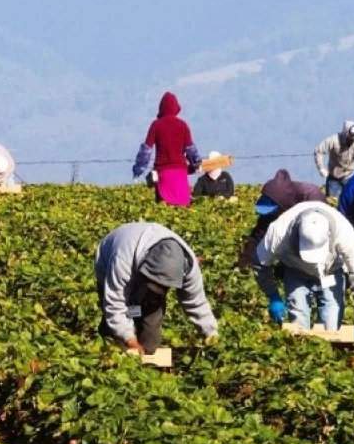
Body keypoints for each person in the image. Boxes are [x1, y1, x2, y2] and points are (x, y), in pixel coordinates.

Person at [252, 203, 354, 342]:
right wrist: (273, 296)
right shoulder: (279, 231)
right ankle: (300, 351)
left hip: (331, 272)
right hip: (295, 270)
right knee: (298, 326)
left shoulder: (344, 232)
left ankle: (326, 351)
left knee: (331, 327)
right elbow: (259, 263)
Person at [95, 223, 218, 354]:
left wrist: (212, 336)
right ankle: (108, 338)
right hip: (109, 260)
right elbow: (116, 304)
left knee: (150, 332)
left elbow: (196, 303)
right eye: (154, 284)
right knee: (121, 321)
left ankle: (140, 337)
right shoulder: (123, 259)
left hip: (137, 257)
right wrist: (131, 341)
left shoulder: (189, 267)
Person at [239, 169, 328, 268]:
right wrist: (245, 259)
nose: (270, 214)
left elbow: (318, 234)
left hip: (311, 241)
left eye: (273, 211)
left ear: (282, 206)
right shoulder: (272, 200)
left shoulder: (312, 197)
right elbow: (259, 233)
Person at [132, 92, 202, 207]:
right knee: (182, 207)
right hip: (180, 173)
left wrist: (138, 169)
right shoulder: (183, 125)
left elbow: (146, 150)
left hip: (163, 173)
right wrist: (196, 165)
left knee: (164, 207)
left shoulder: (156, 125)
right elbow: (191, 150)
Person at [313, 121, 354, 198]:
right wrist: (321, 168)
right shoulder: (334, 140)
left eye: (353, 138)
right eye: (349, 138)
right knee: (333, 202)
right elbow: (318, 151)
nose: (351, 140)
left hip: (350, 177)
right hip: (334, 179)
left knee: (351, 200)